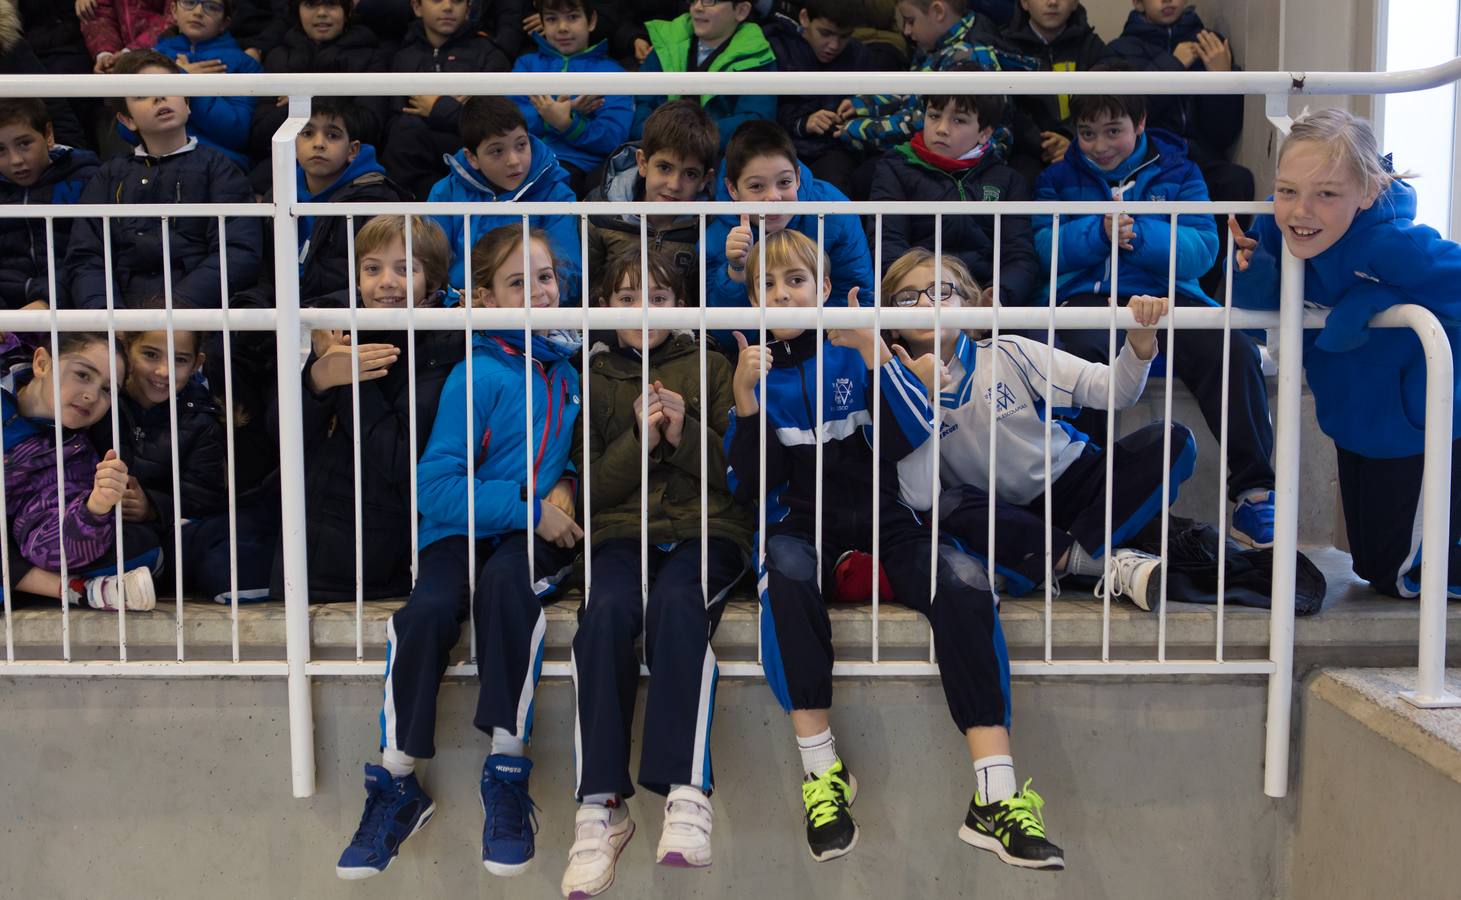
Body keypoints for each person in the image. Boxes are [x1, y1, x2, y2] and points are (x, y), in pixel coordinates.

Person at [726, 228, 1064, 868]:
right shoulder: (750, 370)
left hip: (889, 521)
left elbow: (914, 434)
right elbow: (751, 485)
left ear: (825, 289)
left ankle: (994, 796)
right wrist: (745, 401)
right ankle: (822, 775)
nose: (783, 294)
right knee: (787, 571)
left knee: (963, 579)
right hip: (801, 529)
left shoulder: (862, 351)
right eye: (766, 285)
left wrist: (877, 354)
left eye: (796, 280)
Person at [335, 223, 582, 880]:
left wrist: (569, 486)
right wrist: (532, 507)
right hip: (466, 530)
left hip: (526, 542)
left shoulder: (568, 369)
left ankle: (506, 768)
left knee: (507, 589)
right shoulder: (476, 372)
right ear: (481, 296)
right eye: (516, 282)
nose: (538, 291)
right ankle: (395, 780)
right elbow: (435, 487)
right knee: (425, 612)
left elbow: (575, 454)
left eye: (545, 277)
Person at [561, 248, 752, 897]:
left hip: (704, 530)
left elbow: (735, 477)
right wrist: (640, 440)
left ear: (680, 305)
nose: (643, 309)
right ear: (606, 306)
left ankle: (685, 792)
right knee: (605, 616)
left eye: (660, 297)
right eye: (625, 297)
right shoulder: (592, 375)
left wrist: (684, 429)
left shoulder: (712, 365)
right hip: (620, 533)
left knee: (678, 608)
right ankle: (598, 809)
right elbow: (589, 490)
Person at [879, 247, 1195, 606]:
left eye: (941, 291)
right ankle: (1102, 563)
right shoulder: (892, 387)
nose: (924, 304)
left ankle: (1060, 560)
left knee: (1173, 439)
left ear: (968, 304)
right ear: (890, 320)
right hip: (1004, 515)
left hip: (1074, 485)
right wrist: (922, 398)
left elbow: (1114, 391)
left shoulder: (1008, 351)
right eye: (906, 298)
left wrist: (1139, 342)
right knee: (947, 508)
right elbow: (920, 497)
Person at [1033, 89, 1277, 548]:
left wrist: (1141, 233)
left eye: (1113, 132)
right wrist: (1097, 233)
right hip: (1088, 298)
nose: (1100, 145)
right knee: (1080, 356)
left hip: (1171, 297)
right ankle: (1090, 493)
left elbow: (1204, 250)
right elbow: (1045, 247)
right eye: (1087, 134)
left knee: (1233, 349)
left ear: (1140, 123)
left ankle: (1256, 494)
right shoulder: (1056, 178)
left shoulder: (1181, 173)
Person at [1232, 108, 1461, 597]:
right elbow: (1260, 314)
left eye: (1327, 194)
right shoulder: (1278, 228)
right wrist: (1252, 271)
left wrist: (1374, 301)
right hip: (1353, 415)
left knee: (1397, 574)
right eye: (1288, 189)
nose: (1300, 210)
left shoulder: (1396, 245)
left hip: (1418, 422)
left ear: (1369, 191)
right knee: (1368, 564)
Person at [281, 214, 465, 602]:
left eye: (405, 269)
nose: (386, 281)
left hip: (376, 562)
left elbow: (399, 456)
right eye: (372, 268)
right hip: (300, 550)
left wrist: (348, 380)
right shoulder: (328, 323)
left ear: (431, 280)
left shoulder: (442, 345)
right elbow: (277, 436)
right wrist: (317, 380)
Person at [92, 296, 274, 603]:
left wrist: (151, 506)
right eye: (150, 354)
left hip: (167, 533)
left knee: (208, 551)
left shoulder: (201, 419)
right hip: (96, 521)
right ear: (126, 350)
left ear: (197, 364)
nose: (163, 371)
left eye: (179, 360)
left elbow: (203, 498)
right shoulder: (101, 402)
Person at [63, 50, 262, 311]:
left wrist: (176, 308)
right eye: (143, 95)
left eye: (168, 87)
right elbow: (86, 257)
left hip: (201, 320)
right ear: (127, 119)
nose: (159, 97)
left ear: (187, 103)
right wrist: (107, 316)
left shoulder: (220, 169)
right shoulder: (109, 176)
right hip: (119, 324)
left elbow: (238, 252)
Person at [2, 332, 161, 611]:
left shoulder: (73, 458)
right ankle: (78, 592)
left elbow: (44, 546)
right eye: (83, 375)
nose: (91, 396)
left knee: (140, 547)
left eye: (108, 390)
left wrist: (94, 507)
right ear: (41, 363)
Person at [868, 77, 1040, 305]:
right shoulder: (894, 169)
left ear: (985, 133)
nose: (941, 129)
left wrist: (999, 296)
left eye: (959, 120)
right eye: (934, 116)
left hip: (983, 303)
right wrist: (920, 294)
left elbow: (1019, 255)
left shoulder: (1008, 180)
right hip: (917, 301)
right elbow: (887, 243)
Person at [705, 120, 874, 352]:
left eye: (784, 182)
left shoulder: (834, 212)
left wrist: (807, 349)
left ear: (797, 176)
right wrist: (735, 272)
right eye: (756, 187)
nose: (773, 197)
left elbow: (859, 299)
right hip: (762, 360)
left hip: (829, 352)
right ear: (733, 189)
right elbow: (727, 337)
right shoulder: (717, 237)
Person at [426, 96, 582, 299]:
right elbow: (428, 268)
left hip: (534, 315)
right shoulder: (445, 193)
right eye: (497, 151)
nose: (514, 161)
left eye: (521, 145)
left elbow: (569, 273)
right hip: (459, 315)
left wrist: (507, 302)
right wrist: (456, 302)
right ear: (472, 158)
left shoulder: (556, 194)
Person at [381, 0, 512, 200]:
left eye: (457, 1)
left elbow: (494, 125)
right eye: (436, 0)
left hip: (471, 159)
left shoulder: (489, 54)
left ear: (468, 9)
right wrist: (458, 108)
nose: (448, 7)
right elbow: (395, 123)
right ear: (417, 7)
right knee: (403, 134)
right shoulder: (403, 57)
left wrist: (438, 108)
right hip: (415, 170)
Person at [585, 99, 718, 295]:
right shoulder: (600, 210)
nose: (674, 185)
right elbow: (587, 290)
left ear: (705, 180)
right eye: (664, 168)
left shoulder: (710, 223)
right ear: (643, 163)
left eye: (690, 174)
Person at [509, 0, 632, 198]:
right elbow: (508, 120)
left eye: (573, 17)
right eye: (551, 19)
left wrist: (567, 123)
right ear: (542, 23)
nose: (563, 28)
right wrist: (551, 117)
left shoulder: (612, 72)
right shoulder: (527, 65)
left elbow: (613, 137)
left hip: (579, 168)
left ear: (591, 21)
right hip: (522, 163)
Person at [630, 0, 776, 153]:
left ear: (741, 11)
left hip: (725, 161)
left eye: (709, 1)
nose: (697, 7)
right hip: (660, 153)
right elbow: (641, 106)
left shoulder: (757, 55)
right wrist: (666, 140)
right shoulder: (665, 44)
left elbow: (755, 122)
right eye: (694, 0)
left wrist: (693, 139)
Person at [762, 0, 869, 197]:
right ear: (804, 18)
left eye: (844, 36)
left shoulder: (858, 54)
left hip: (835, 150)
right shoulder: (775, 46)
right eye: (825, 33)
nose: (834, 45)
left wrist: (860, 107)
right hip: (780, 146)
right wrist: (803, 123)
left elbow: (877, 105)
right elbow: (764, 112)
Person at [0, 99, 99, 313]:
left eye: (24, 144)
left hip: (71, 308)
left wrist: (47, 300)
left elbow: (88, 255)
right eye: (1, 150)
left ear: (48, 135)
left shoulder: (86, 178)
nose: (15, 160)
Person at [148, 0, 262, 168]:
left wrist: (183, 79)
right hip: (156, 161)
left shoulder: (244, 64)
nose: (198, 11)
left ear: (225, 23)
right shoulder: (150, 58)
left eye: (212, 7)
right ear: (173, 10)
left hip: (219, 165)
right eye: (189, 2)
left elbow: (236, 132)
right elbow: (127, 128)